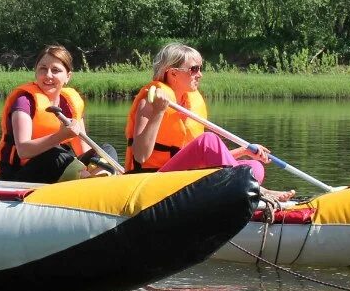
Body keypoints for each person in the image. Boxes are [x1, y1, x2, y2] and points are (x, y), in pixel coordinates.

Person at [125, 43, 293, 200]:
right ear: (173, 73)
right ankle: (259, 192)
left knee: (253, 167)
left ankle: (244, 191)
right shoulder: (150, 102)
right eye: (194, 69)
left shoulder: (187, 102)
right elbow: (140, 155)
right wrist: (159, 112)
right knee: (208, 140)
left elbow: (200, 157)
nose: (200, 74)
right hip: (152, 180)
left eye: (200, 68)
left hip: (181, 175)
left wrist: (243, 151)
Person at [0, 45, 113, 184]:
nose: (48, 75)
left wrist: (93, 160)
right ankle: (87, 181)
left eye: (55, 70)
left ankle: (99, 180)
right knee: (57, 155)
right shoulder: (24, 102)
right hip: (19, 173)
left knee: (105, 150)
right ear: (36, 72)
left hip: (59, 164)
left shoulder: (71, 103)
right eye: (43, 69)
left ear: (68, 76)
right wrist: (61, 136)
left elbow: (83, 150)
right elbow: (23, 150)